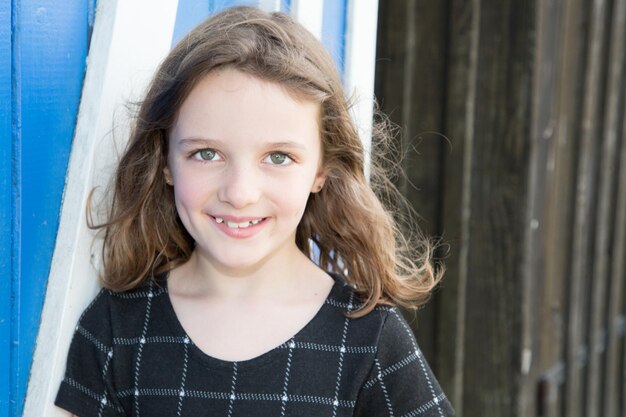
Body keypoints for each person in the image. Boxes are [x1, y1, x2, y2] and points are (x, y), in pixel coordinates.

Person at [55, 6, 454, 417]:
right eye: (206, 154)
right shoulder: (116, 329)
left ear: (322, 170)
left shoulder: (370, 339)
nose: (240, 193)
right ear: (164, 162)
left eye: (278, 157)